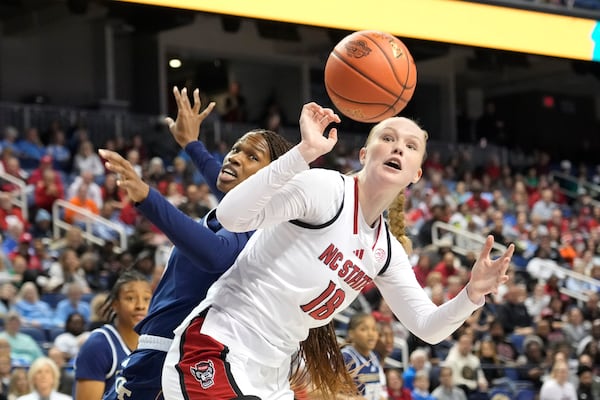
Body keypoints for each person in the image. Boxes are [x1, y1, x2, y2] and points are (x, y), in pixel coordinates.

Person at [162, 102, 515, 400]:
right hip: (217, 347)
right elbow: (232, 216)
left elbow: (428, 327)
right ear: (364, 153)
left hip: (273, 374)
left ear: (416, 173)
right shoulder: (327, 190)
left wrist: (471, 294)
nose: (397, 148)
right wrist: (304, 153)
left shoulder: (386, 252)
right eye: (387, 138)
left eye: (409, 146)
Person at [98, 86, 294, 400]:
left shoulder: (255, 224)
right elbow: (223, 179)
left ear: (272, 179)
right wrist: (191, 144)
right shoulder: (242, 212)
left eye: (252, 156)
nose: (234, 157)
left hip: (169, 358)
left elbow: (216, 256)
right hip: (169, 356)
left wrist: (147, 197)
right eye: (236, 149)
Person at [73, 269, 151, 400]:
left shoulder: (154, 343)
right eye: (130, 298)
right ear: (115, 304)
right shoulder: (98, 345)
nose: (140, 306)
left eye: (146, 299)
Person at [340, 312, 386, 400]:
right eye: (364, 329)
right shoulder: (346, 357)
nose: (371, 334)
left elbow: (382, 390)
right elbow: (326, 392)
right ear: (351, 334)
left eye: (374, 329)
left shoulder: (375, 357)